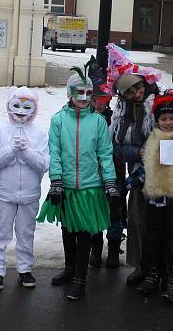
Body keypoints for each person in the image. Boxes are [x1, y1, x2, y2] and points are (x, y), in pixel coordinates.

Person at [37, 66, 118, 300]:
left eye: (87, 93)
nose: (83, 98)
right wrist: (56, 181)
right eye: (78, 92)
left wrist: (110, 182)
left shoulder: (99, 122)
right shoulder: (58, 121)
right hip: (67, 187)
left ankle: (80, 279)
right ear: (69, 93)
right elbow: (55, 152)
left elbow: (105, 154)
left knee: (83, 233)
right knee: (67, 229)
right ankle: (70, 269)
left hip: (90, 188)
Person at [105, 44, 162, 286]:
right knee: (137, 218)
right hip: (138, 174)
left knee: (160, 221)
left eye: (138, 87)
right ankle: (141, 265)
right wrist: (137, 151)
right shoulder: (122, 113)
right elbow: (116, 145)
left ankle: (162, 267)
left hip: (164, 172)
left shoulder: (162, 100)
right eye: (130, 92)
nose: (137, 94)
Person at [0, 86, 49, 291]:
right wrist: (10, 150)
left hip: (29, 194)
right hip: (5, 193)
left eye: (27, 106)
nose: (21, 110)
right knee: (1, 231)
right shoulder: (0, 131)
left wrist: (27, 152)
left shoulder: (39, 134)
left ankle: (24, 269)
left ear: (34, 108)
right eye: (17, 105)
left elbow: (44, 164)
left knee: (26, 233)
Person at [136, 90, 173, 303]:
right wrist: (132, 180)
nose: (168, 122)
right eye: (163, 118)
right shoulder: (153, 138)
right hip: (154, 199)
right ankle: (153, 275)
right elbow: (145, 168)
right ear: (157, 120)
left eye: (172, 118)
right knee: (153, 240)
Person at [87, 76, 119, 268]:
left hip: (113, 170)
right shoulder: (86, 118)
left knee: (114, 211)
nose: (98, 104)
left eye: (103, 100)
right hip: (92, 173)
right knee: (95, 210)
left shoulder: (115, 117)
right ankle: (95, 247)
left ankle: (114, 247)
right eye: (94, 99)